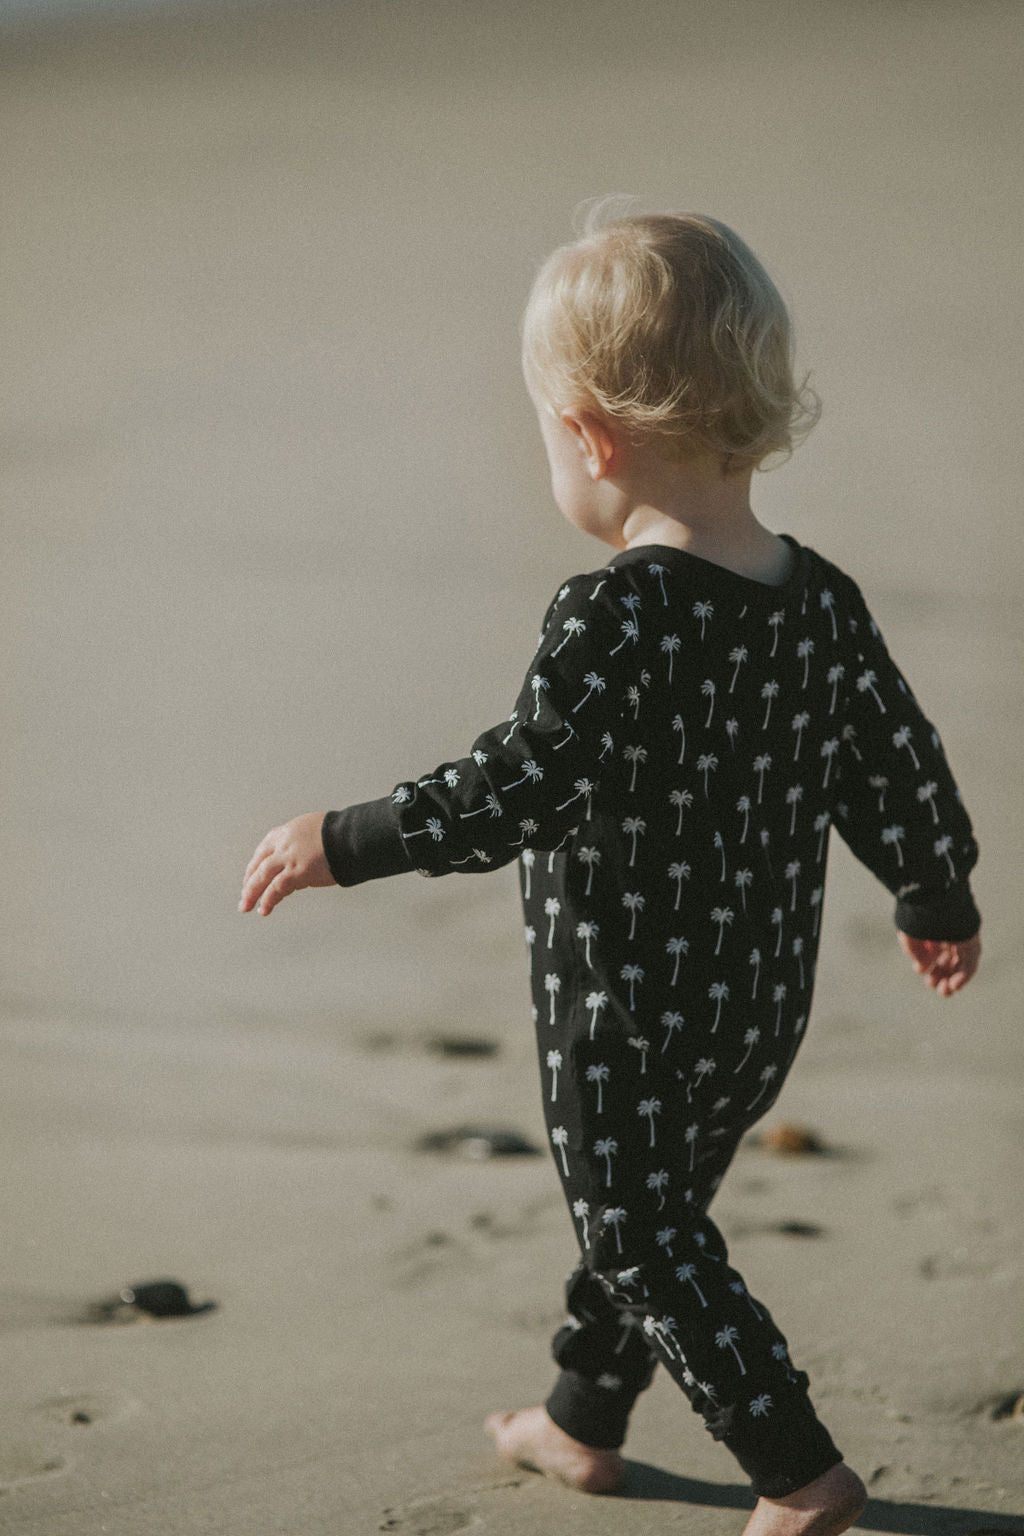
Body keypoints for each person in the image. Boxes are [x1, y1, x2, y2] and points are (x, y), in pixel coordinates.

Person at [239, 211, 980, 1536]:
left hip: (623, 1011)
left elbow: (511, 791)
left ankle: (796, 1468)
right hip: (760, 1005)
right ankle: (581, 1424)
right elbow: (895, 761)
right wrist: (933, 890)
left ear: (589, 434)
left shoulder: (615, 615)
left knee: (642, 1233)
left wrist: (337, 841)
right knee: (648, 1211)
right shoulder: (820, 599)